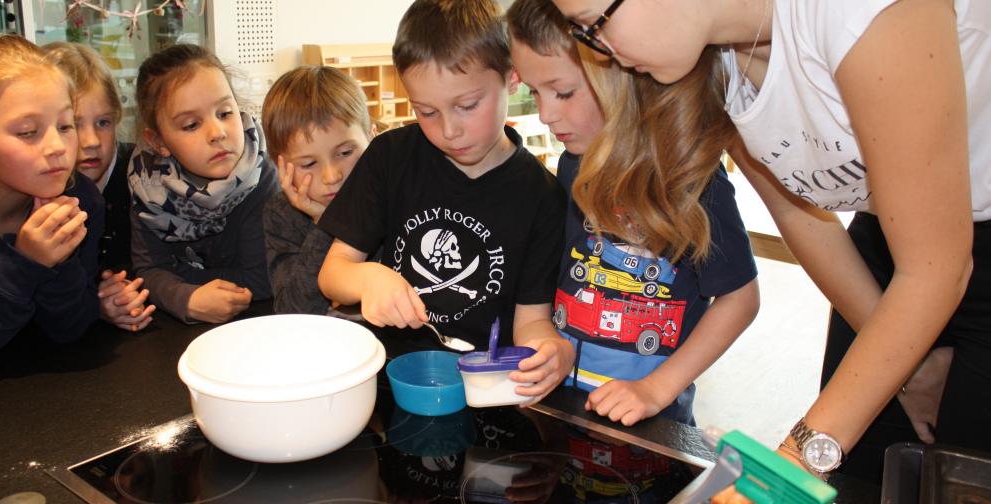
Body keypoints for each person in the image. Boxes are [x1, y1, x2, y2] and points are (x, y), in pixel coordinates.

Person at [551, 0, 989, 485]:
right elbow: (798, 211)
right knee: (864, 476)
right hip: (882, 249)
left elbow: (935, 269)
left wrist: (793, 463)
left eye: (593, 25)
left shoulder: (860, 11)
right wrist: (911, 368)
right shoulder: (707, 60)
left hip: (960, 252)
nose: (599, 52)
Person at [507, 0, 759, 427]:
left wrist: (656, 389)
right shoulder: (572, 164)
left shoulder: (692, 176)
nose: (546, 114)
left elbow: (741, 298)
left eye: (563, 92)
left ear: (621, 74)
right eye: (535, 92)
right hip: (563, 410)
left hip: (650, 424)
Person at [318, 0, 572, 404]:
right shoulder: (391, 157)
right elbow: (332, 274)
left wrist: (548, 351)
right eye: (426, 112)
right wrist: (367, 278)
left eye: (467, 106)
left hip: (481, 391)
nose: (449, 130)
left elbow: (532, 321)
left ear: (512, 78)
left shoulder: (542, 196)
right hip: (385, 381)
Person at [0, 35, 103, 375]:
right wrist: (25, 264)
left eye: (64, 125)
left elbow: (69, 330)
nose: (58, 146)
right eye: (28, 132)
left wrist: (60, 258)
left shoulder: (81, 201)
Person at [129, 44, 278, 324]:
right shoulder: (146, 185)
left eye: (224, 113)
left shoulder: (261, 176)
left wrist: (173, 283)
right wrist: (186, 298)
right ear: (158, 142)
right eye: (191, 125)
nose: (217, 133)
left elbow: (261, 278)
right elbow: (147, 269)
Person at [43, 42, 155, 332]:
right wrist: (98, 302)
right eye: (73, 125)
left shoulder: (146, 173)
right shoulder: (35, 191)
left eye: (103, 122)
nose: (92, 141)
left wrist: (126, 292)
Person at [261, 66, 378, 315]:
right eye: (308, 164)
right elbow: (292, 311)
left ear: (372, 138)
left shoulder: (392, 197)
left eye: (346, 153)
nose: (331, 176)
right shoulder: (282, 213)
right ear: (280, 165)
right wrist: (325, 224)